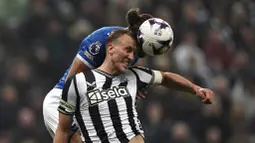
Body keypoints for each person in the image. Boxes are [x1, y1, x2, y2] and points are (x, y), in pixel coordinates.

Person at [54, 29, 214, 143]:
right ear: (111, 49)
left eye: (134, 53)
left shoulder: (135, 75)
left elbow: (165, 78)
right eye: (128, 50)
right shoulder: (78, 82)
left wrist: (195, 88)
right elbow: (63, 130)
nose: (131, 57)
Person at [43, 8, 153, 142]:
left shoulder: (131, 56)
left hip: (89, 108)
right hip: (62, 102)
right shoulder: (102, 38)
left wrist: (131, 86)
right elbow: (71, 83)